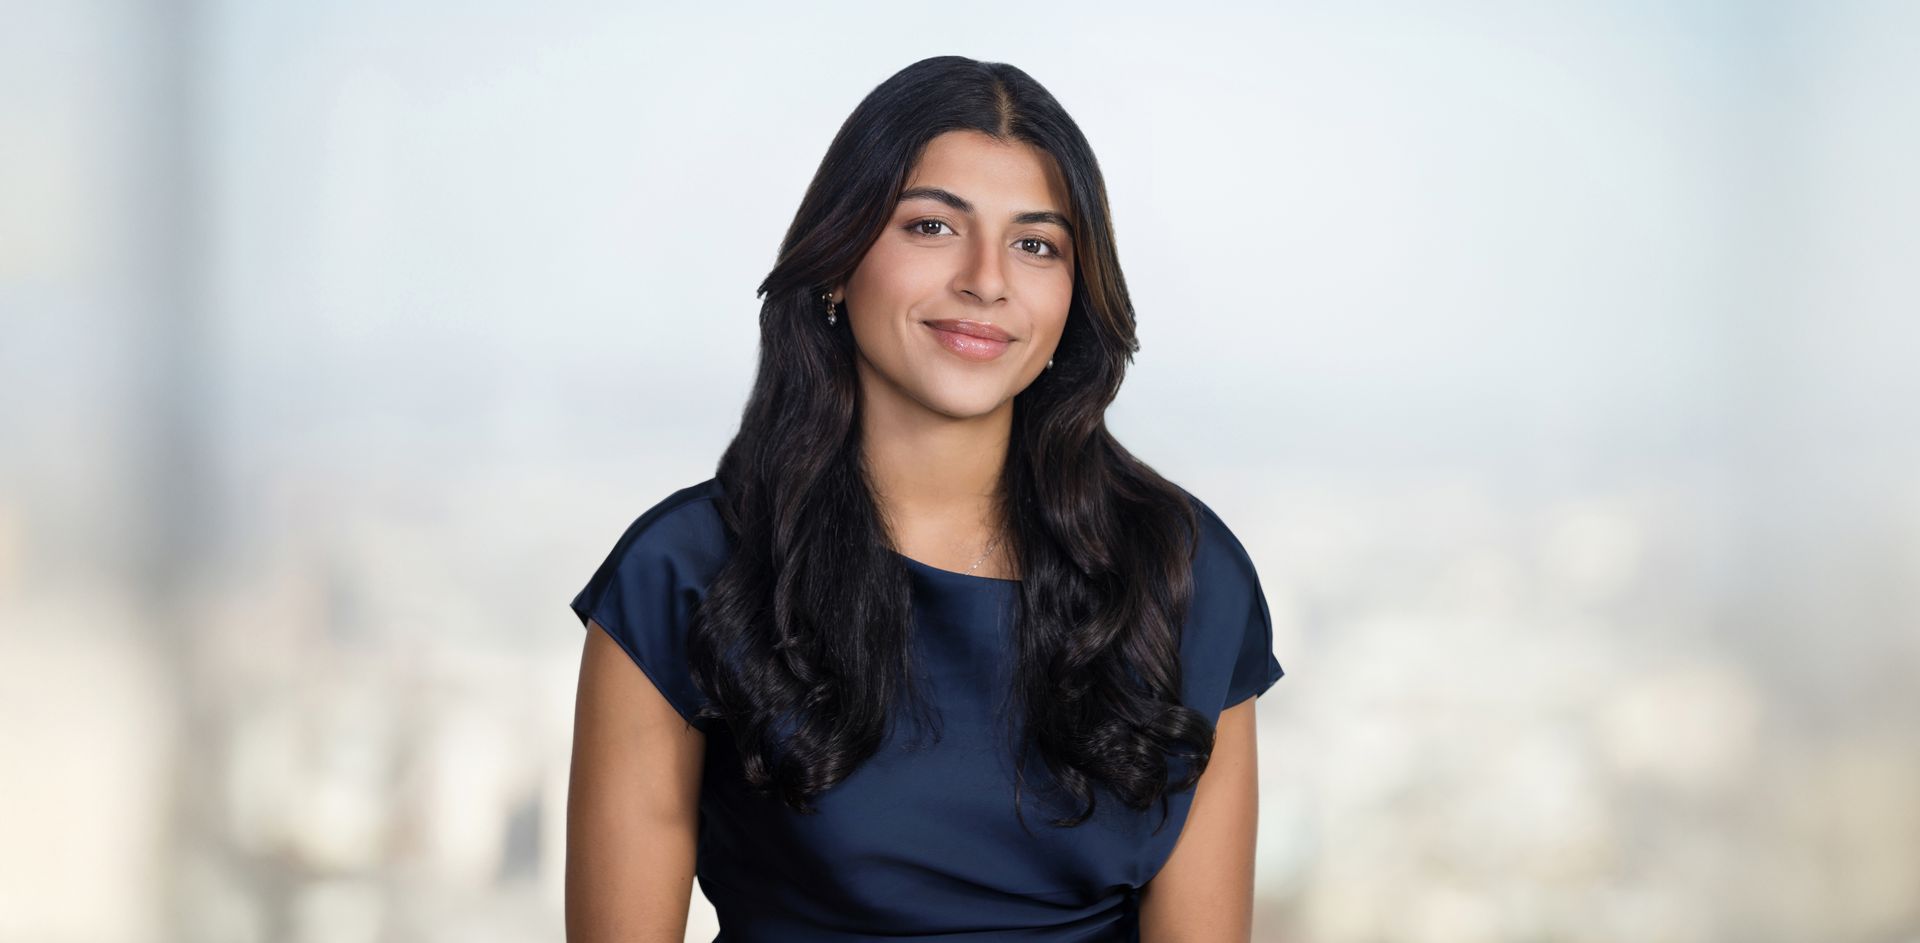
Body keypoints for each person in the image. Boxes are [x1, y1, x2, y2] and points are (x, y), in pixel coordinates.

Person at [564, 55, 1285, 943]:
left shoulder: (1185, 577)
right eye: (933, 226)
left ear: (1074, 295)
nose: (987, 278)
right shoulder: (682, 573)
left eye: (1036, 244)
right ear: (837, 262)